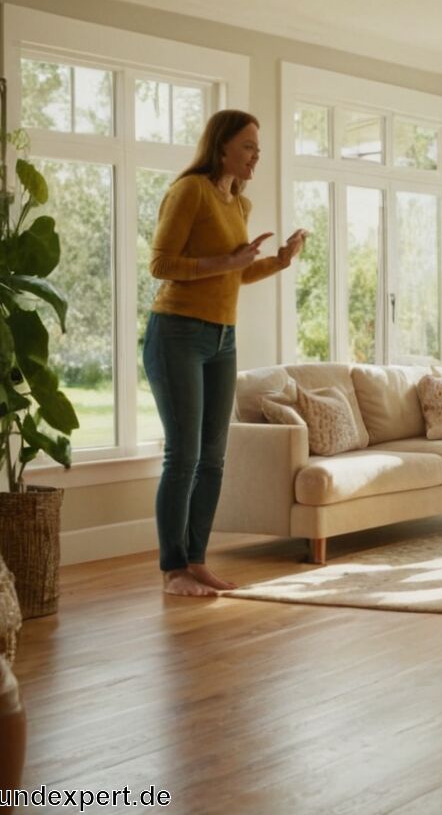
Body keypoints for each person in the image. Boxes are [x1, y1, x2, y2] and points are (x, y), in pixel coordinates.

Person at [144, 109, 307, 597]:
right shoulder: (189, 191)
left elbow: (234, 274)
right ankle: (173, 570)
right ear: (222, 148)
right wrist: (227, 260)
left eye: (258, 148)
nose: (257, 155)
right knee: (184, 454)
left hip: (221, 338)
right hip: (176, 333)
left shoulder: (240, 203)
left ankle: (196, 561)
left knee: (214, 457)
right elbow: (161, 263)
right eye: (249, 146)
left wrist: (278, 261)